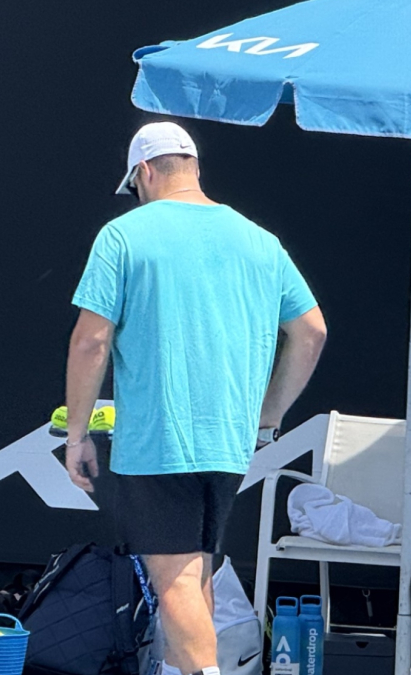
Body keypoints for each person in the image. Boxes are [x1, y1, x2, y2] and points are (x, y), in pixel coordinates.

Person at [64, 121, 326, 675]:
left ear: (145, 172)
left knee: (176, 580)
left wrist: (78, 433)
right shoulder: (261, 241)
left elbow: (91, 340)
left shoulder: (123, 235)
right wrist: (269, 414)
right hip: (230, 443)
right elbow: (311, 332)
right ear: (196, 168)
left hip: (158, 439)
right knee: (196, 573)